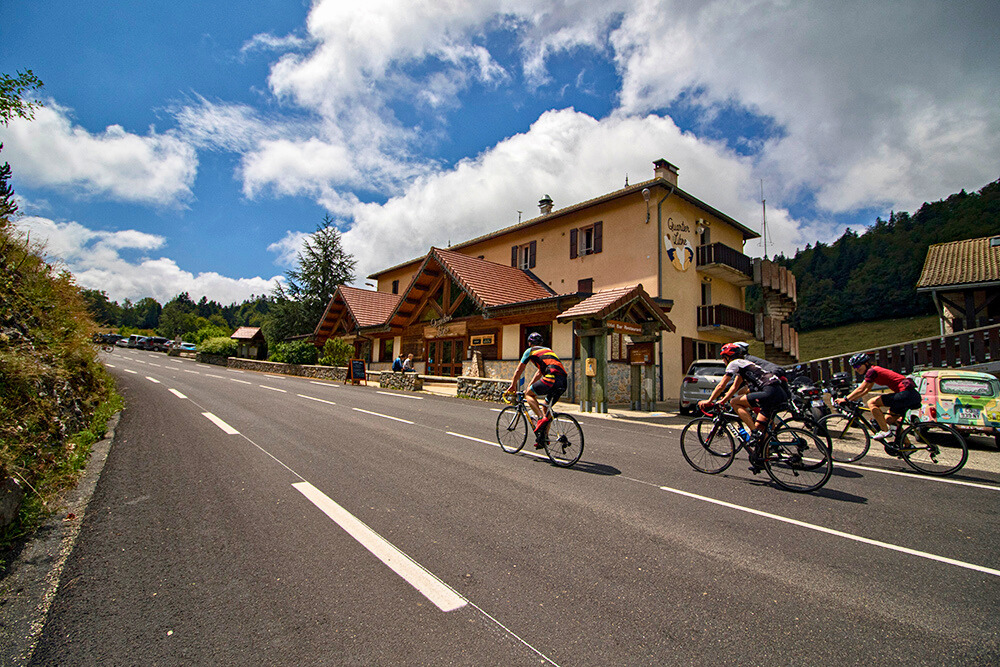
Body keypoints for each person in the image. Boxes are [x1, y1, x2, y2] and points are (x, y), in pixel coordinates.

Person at [698, 342, 789, 443]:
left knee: (734, 402)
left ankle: (754, 432)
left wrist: (709, 400)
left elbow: (721, 385)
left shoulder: (734, 363)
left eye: (723, 358)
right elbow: (734, 387)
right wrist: (723, 401)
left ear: (728, 357)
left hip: (769, 392)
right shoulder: (744, 364)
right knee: (761, 428)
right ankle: (765, 456)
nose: (723, 361)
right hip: (779, 392)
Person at [836, 352, 920, 442]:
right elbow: (866, 390)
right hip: (910, 395)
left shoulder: (872, 371)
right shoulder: (873, 372)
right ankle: (908, 445)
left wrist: (845, 399)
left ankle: (885, 431)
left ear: (866, 363)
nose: (856, 369)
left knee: (871, 402)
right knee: (889, 419)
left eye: (857, 366)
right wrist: (851, 399)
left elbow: (861, 388)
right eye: (854, 367)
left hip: (906, 394)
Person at [506, 332, 568, 447]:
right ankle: (543, 438)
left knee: (528, 395)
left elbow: (519, 370)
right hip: (563, 381)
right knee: (546, 408)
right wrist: (530, 385)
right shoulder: (548, 350)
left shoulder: (529, 351)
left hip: (551, 378)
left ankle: (539, 418)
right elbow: (540, 372)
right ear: (541, 343)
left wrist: (513, 385)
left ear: (530, 343)